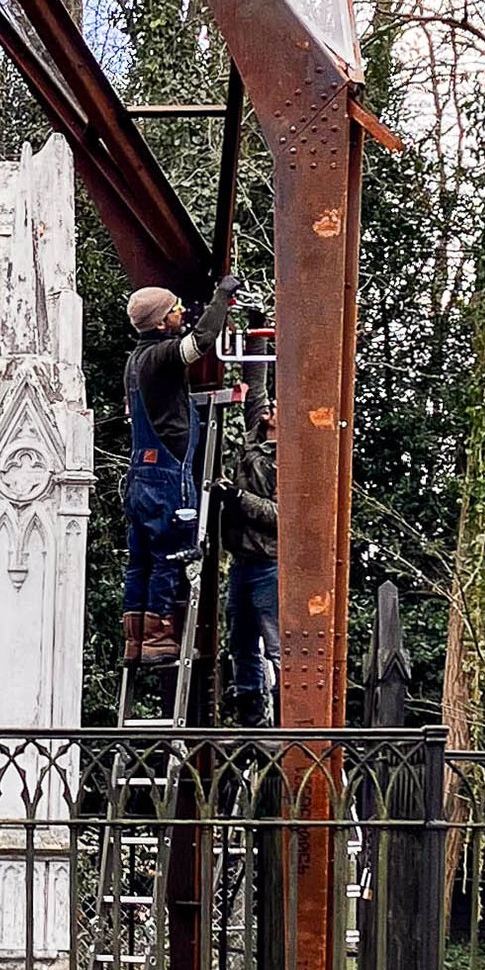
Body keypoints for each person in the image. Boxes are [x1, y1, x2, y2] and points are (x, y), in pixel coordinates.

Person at [120, 277, 237, 671]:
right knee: (171, 554)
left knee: (141, 559)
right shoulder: (161, 356)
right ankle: (158, 637)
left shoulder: (135, 362)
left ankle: (135, 640)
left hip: (141, 475)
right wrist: (221, 297)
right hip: (166, 477)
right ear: (158, 322)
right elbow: (200, 342)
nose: (181, 312)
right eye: (174, 310)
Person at [220, 394, 279, 723]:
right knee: (240, 642)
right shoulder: (253, 444)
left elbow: (283, 515)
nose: (273, 406)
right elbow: (255, 393)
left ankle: (286, 719)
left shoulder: (288, 459)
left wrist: (238, 498)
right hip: (242, 561)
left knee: (276, 644)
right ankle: (251, 719)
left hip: (269, 562)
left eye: (279, 406)